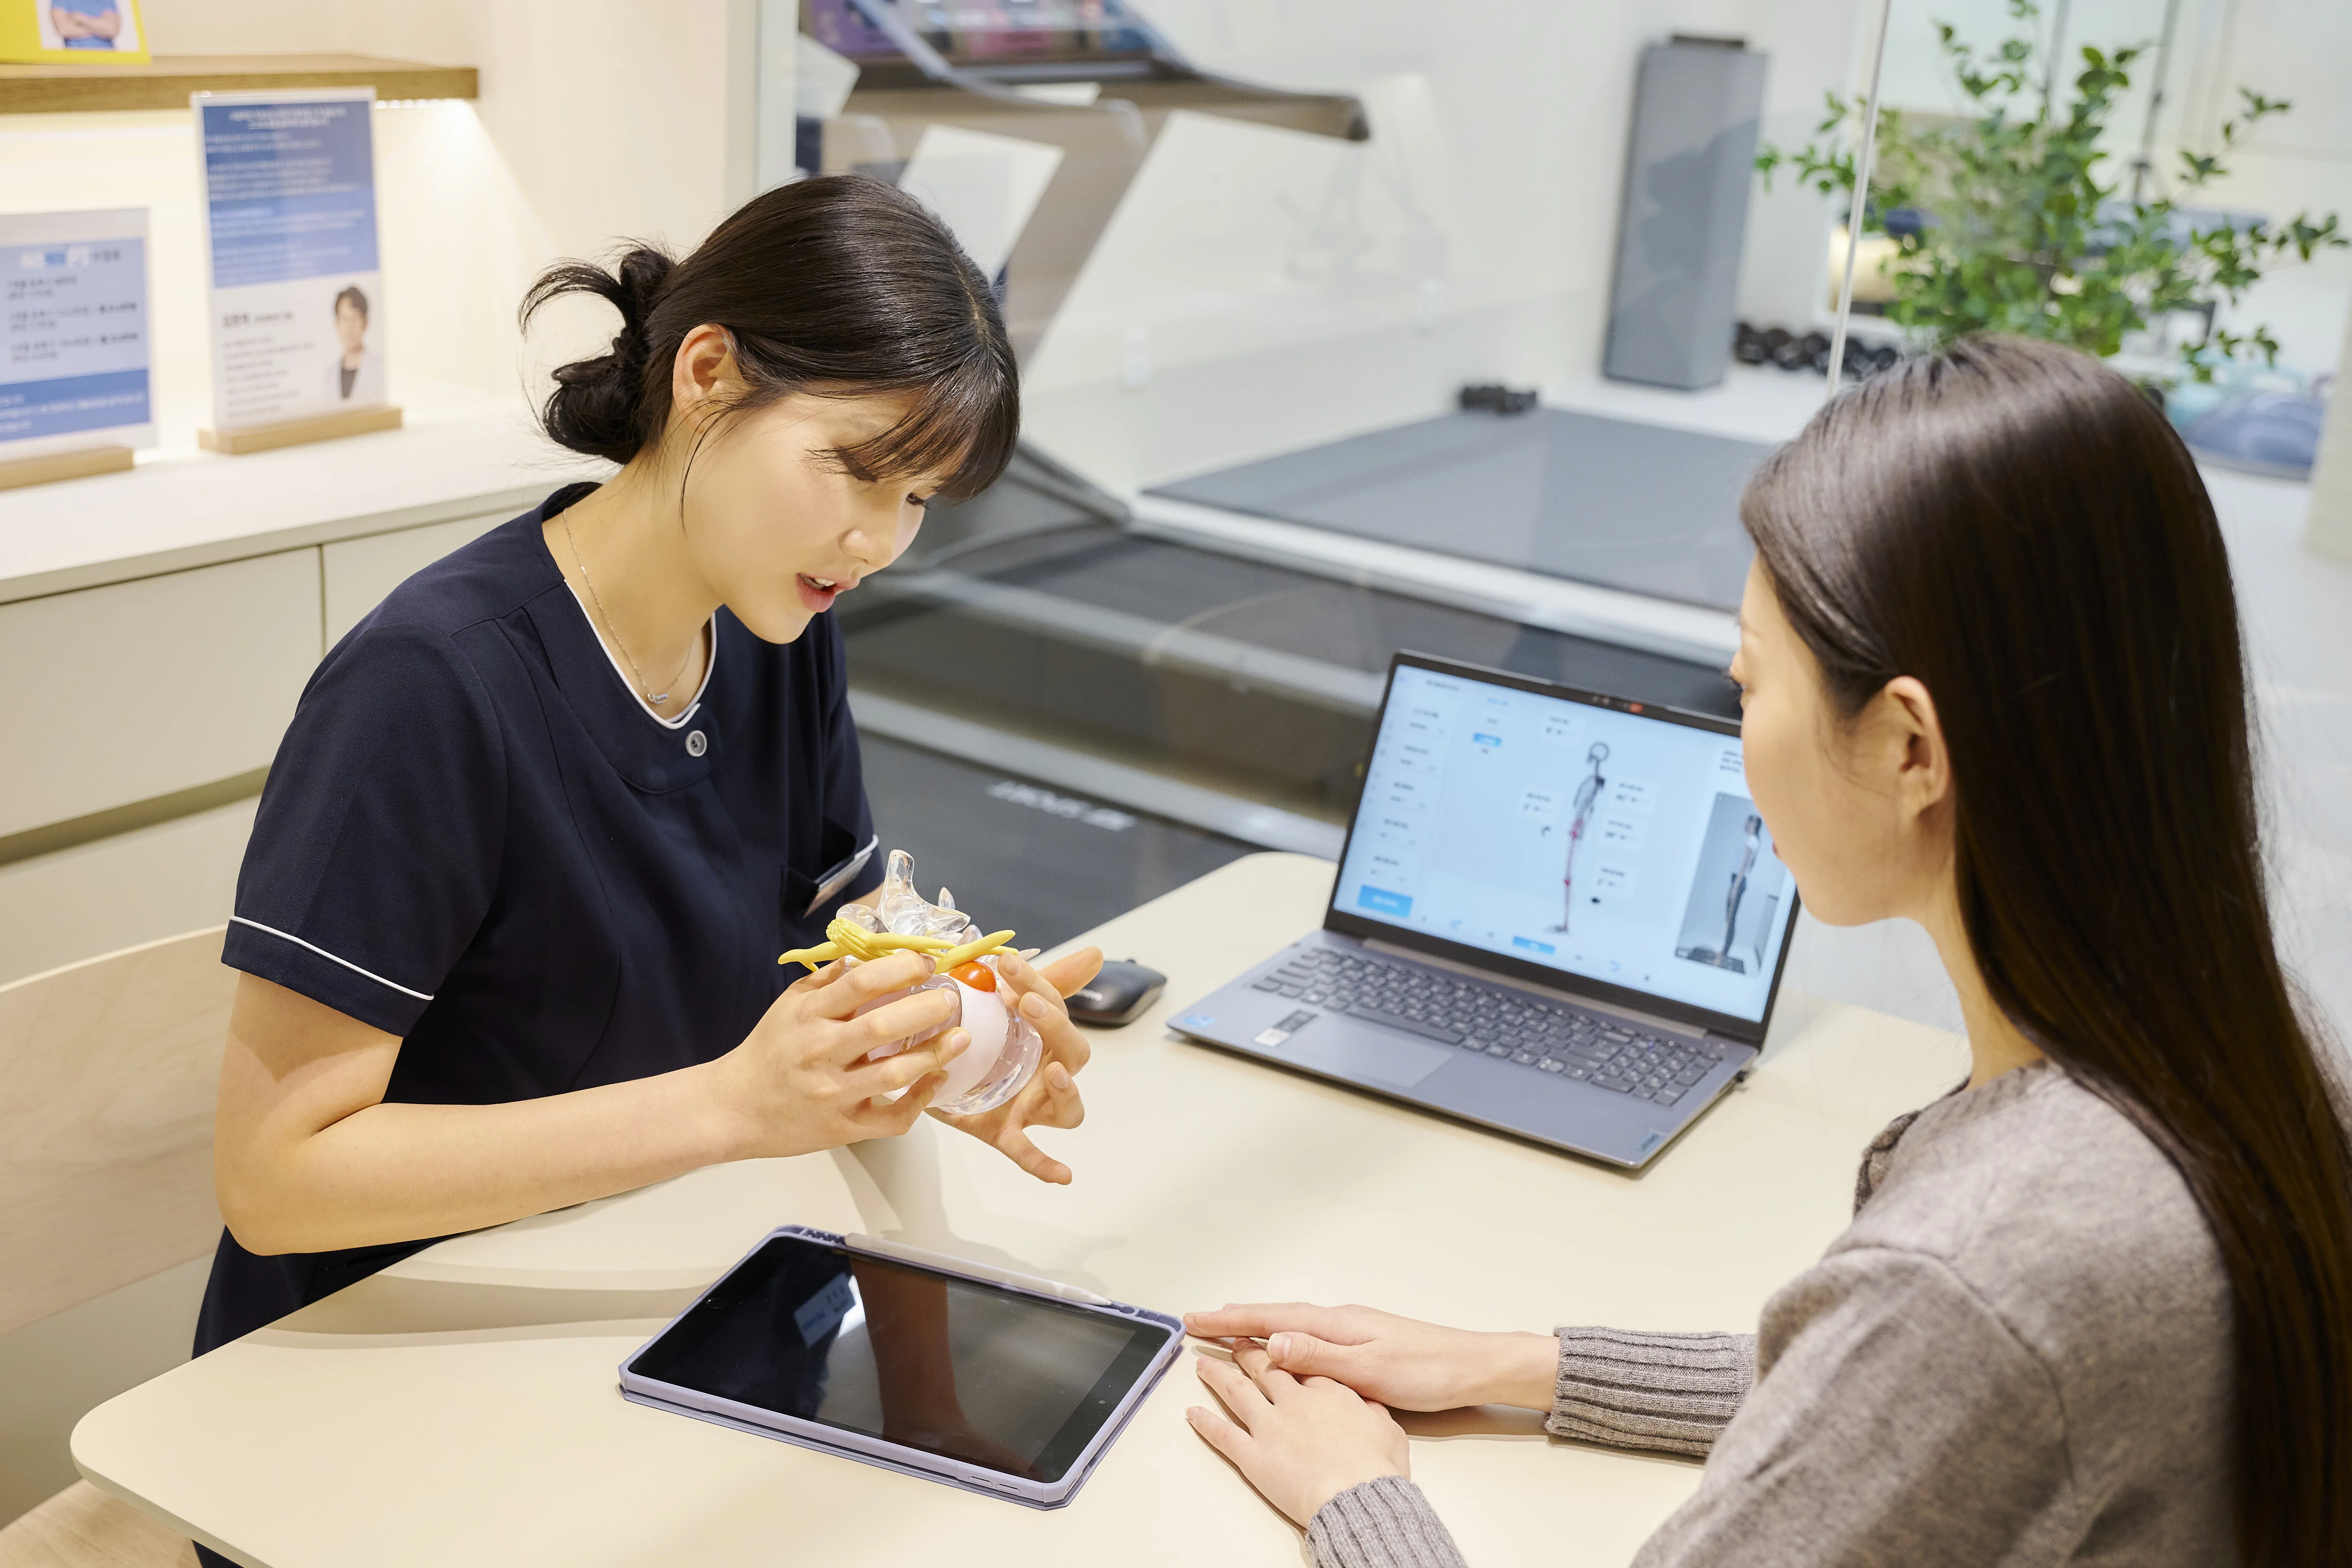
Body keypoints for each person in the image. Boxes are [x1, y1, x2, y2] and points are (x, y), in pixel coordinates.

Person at [1183, 336, 2352, 1566]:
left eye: (1748, 685)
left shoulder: (1987, 1269)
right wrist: (1519, 1364)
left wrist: (1355, 1496)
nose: (1738, 740)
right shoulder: (2259, 1060)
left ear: (1911, 748)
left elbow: (1940, 1354)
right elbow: (1908, 1408)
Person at [197, 176, 1102, 1557]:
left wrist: (960, 1043)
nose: (880, 540)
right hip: (374, 1395)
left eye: (917, 496)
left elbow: (856, 969)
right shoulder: (433, 685)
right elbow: (274, 1174)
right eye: (857, 467)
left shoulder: (781, 636)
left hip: (641, 1337)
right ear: (707, 372)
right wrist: (739, 1102)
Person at [328, 284, 383, 405]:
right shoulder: (329, 376)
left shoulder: (381, 368)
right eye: (345, 319)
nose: (349, 327)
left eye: (355, 318)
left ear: (366, 323)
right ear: (337, 325)